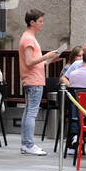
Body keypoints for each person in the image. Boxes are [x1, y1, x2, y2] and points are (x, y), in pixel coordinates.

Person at [18, 9, 63, 156]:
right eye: (40, 21)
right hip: (34, 80)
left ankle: (26, 144)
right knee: (31, 113)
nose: (42, 24)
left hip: (32, 78)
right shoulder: (29, 39)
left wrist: (50, 59)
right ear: (32, 22)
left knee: (28, 112)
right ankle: (29, 144)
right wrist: (46, 56)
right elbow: (30, 62)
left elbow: (35, 63)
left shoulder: (28, 37)